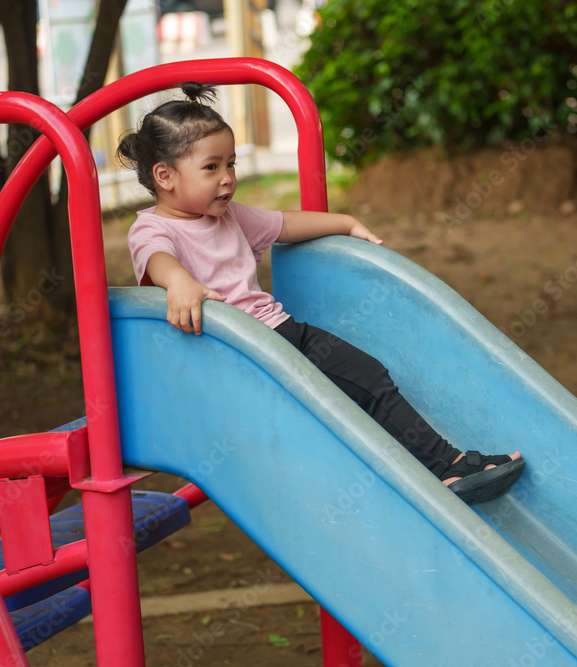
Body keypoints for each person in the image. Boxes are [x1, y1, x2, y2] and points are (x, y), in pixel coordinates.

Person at [117, 82, 524, 505]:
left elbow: (286, 225)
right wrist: (179, 281)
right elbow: (157, 258)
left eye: (231, 164)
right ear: (165, 176)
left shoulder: (230, 217)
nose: (227, 179)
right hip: (240, 355)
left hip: (282, 336)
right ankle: (446, 467)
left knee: (369, 378)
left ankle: (444, 467)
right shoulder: (153, 228)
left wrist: (344, 222)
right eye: (211, 167)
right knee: (358, 390)